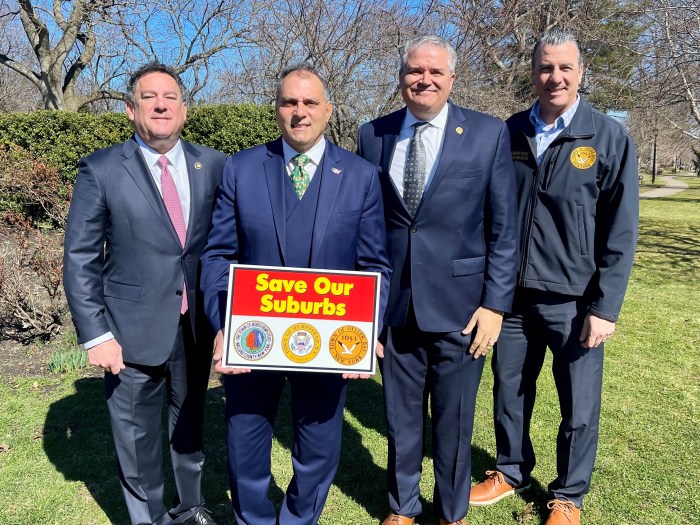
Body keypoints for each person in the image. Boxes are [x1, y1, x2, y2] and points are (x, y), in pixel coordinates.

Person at [200, 63, 391, 525]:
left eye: (309, 102)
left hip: (329, 343)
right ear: (277, 109)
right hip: (254, 338)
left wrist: (367, 330)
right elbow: (218, 255)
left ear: (328, 110)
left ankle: (300, 519)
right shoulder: (242, 168)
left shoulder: (362, 176)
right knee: (245, 444)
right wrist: (224, 325)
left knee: (319, 448)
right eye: (289, 102)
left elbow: (374, 266)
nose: (299, 112)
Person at [469, 30, 639, 525]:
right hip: (512, 299)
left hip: (575, 302)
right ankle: (511, 469)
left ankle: (568, 495)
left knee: (578, 405)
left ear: (582, 72)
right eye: (545, 67)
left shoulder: (606, 137)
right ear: (533, 72)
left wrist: (605, 308)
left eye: (565, 67)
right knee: (509, 390)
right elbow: (490, 213)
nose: (555, 77)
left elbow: (621, 230)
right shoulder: (509, 132)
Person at [357, 35, 518, 525]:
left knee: (454, 421)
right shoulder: (373, 134)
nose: (423, 79)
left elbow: (503, 228)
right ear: (401, 76)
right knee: (401, 420)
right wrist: (364, 312)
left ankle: (452, 512)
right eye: (413, 70)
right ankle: (402, 508)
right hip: (395, 309)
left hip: (464, 309)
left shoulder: (488, 134)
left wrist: (495, 306)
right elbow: (363, 226)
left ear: (451, 79)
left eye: (434, 72)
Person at [63, 62, 225, 525]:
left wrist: (228, 324)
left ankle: (191, 506)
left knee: (190, 421)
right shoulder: (101, 169)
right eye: (149, 97)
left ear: (184, 109)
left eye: (169, 97)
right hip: (129, 330)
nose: (160, 105)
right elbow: (80, 258)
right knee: (136, 437)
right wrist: (96, 335)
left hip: (195, 326)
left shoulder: (212, 164)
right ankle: (148, 518)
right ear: (132, 109)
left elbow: (224, 250)